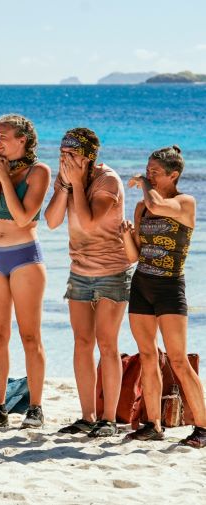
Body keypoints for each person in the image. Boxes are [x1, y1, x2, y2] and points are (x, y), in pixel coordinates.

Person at [45, 128, 133, 437]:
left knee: (107, 343)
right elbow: (52, 221)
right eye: (62, 154)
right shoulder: (67, 178)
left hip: (112, 271)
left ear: (88, 157)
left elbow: (88, 221)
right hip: (79, 271)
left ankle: (108, 419)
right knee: (82, 343)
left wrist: (78, 183)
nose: (65, 159)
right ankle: (87, 416)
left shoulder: (108, 181)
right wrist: (64, 186)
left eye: (72, 154)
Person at [122, 145, 206, 448]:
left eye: (155, 172)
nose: (149, 176)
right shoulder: (142, 207)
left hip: (170, 288)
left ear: (174, 175)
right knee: (147, 355)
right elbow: (134, 256)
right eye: (148, 171)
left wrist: (145, 184)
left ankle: (202, 427)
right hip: (141, 285)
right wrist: (125, 235)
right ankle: (153, 425)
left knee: (178, 360)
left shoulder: (185, 202)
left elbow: (158, 206)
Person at [0, 114, 51, 429]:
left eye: (3, 136)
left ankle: (35, 407)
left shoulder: (39, 171)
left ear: (23, 139)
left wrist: (5, 178)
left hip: (24, 258)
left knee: (30, 336)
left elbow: (23, 218)